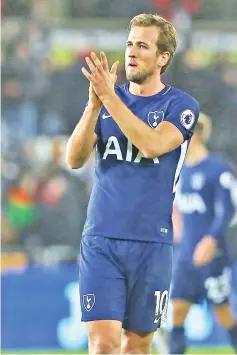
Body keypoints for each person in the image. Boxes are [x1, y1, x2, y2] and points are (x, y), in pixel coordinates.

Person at [66, 14, 200, 354]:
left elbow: (152, 145)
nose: (132, 52)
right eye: (129, 44)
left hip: (152, 243)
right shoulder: (107, 100)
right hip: (101, 239)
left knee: (136, 347)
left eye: (142, 45)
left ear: (163, 57)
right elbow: (74, 159)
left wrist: (109, 98)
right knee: (103, 344)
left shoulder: (181, 105)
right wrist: (93, 107)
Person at [168, 113, 237, 354]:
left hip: (213, 254)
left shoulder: (217, 167)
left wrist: (210, 239)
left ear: (195, 135)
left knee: (223, 311)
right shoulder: (180, 170)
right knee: (176, 311)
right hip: (186, 253)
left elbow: (227, 208)